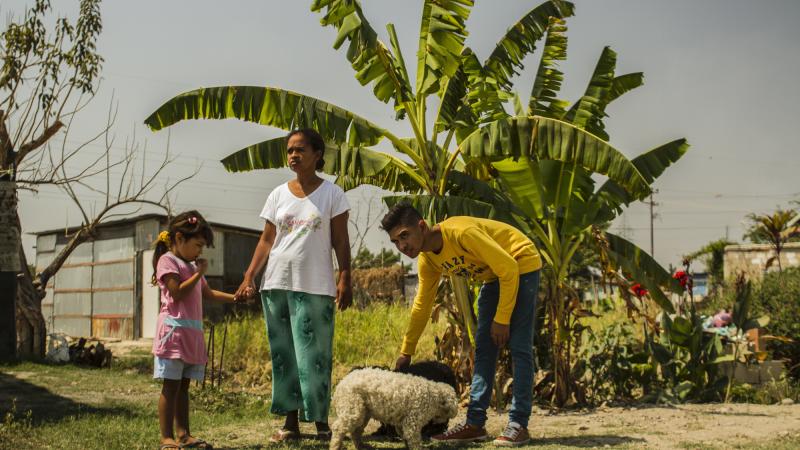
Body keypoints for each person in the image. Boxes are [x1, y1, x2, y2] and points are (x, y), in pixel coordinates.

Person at [381, 203, 542, 447]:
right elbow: (422, 306)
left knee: (519, 348)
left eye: (405, 236)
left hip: (521, 263)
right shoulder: (428, 261)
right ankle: (474, 424)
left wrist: (502, 318)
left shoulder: (461, 233)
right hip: (493, 276)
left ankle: (519, 424)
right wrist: (407, 350)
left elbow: (508, 267)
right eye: (396, 242)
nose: (402, 246)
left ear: (421, 226)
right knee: (484, 350)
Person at [236, 128, 352, 442]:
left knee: (314, 356)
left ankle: (321, 423)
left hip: (316, 285)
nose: (293, 156)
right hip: (276, 283)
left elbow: (341, 241)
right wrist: (249, 276)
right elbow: (266, 240)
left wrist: (345, 276)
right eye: (289, 150)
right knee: (284, 355)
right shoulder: (277, 195)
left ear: (317, 155)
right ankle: (290, 424)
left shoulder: (332, 194)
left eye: (300, 149)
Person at [152, 210, 239, 450]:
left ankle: (184, 435)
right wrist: (199, 272)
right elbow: (177, 291)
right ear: (179, 238)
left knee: (184, 386)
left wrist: (235, 298)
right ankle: (166, 437)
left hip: (191, 334)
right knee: (170, 385)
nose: (200, 251)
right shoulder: (168, 261)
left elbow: (208, 294)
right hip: (173, 333)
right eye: (198, 245)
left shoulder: (190, 265)